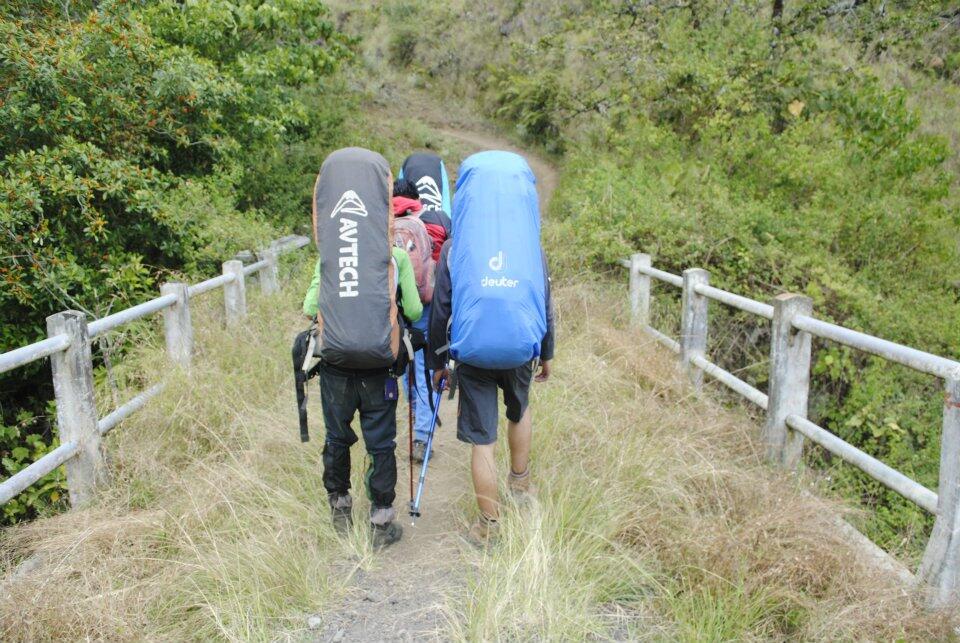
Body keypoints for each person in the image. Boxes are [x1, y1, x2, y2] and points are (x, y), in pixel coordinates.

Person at [426, 151, 555, 546]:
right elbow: (543, 299)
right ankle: (521, 486)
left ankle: (488, 525)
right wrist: (546, 352)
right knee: (520, 410)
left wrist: (436, 361)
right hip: (519, 345)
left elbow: (440, 308)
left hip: (474, 351)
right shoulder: (529, 246)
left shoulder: (455, 247)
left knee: (483, 439)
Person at [304, 147, 423, 549]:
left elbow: (308, 307)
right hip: (380, 366)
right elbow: (412, 307)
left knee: (337, 438)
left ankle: (340, 508)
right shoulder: (393, 257)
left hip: (335, 364)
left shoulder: (330, 258)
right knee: (381, 442)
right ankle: (381, 522)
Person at [392, 177, 451, 462]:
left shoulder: (382, 221)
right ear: (418, 199)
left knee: (404, 366)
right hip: (425, 307)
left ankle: (414, 414)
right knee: (426, 368)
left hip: (393, 308)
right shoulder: (432, 220)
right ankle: (422, 435)